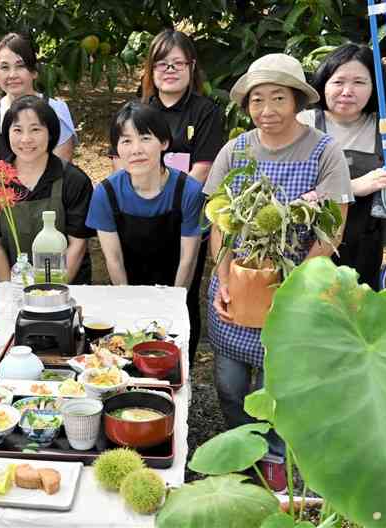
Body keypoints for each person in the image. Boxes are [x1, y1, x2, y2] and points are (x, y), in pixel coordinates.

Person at [204, 53, 352, 492]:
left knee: (275, 388)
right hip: (237, 284)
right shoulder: (237, 149)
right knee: (229, 384)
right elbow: (220, 222)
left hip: (291, 286)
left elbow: (332, 229)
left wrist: (295, 286)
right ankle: (237, 448)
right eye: (257, 101)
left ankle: (272, 457)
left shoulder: (324, 151)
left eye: (278, 99)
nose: (266, 111)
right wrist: (224, 275)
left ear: (297, 101)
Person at [134, 29, 225, 365]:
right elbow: (123, 161)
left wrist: (167, 199)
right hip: (138, 215)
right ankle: (139, 359)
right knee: (139, 288)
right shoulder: (140, 110)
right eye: (161, 64)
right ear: (150, 70)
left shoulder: (206, 112)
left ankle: (179, 362)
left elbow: (202, 168)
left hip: (185, 215)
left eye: (177, 63)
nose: (169, 70)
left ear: (191, 67)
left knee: (181, 292)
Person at [298, 43, 386, 290]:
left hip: (367, 250)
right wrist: (352, 187)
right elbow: (288, 194)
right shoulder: (303, 125)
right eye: (338, 81)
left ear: (374, 87)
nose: (347, 91)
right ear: (323, 83)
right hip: (309, 244)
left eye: (360, 83)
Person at [86, 101, 204, 291]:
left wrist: (173, 304)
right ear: (116, 149)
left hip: (178, 295)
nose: (136, 149)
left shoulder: (189, 191)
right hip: (126, 294)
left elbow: (188, 260)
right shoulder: (106, 194)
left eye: (145, 138)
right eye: (126, 141)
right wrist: (129, 303)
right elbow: (113, 259)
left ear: (164, 142)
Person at [0, 95, 94, 284]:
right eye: (17, 130)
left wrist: (53, 291)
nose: (26, 139)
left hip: (66, 286)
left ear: (51, 133)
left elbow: (78, 244)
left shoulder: (73, 180)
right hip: (11, 286)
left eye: (35, 130)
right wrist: (11, 288)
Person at [0, 32, 77, 170]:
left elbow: (62, 171)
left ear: (34, 71)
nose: (12, 75)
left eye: (20, 66)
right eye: (4, 67)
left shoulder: (56, 111)